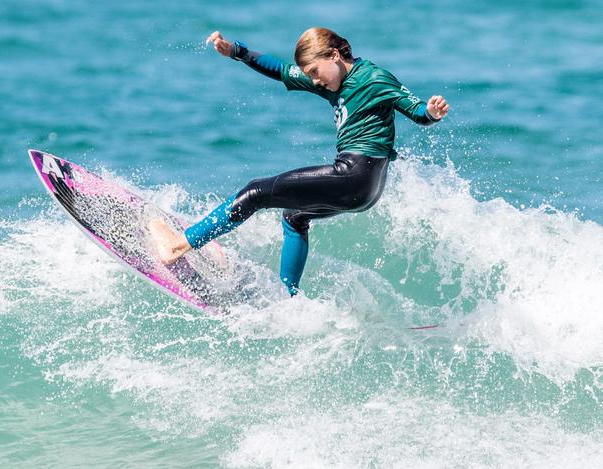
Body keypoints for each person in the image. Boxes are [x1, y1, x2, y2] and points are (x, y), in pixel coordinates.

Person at [150, 27, 450, 296]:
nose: (315, 80)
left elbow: (416, 110)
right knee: (295, 217)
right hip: (365, 188)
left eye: (316, 71)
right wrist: (235, 52)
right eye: (310, 75)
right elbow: (280, 70)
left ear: (334, 55)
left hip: (355, 174)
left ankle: (178, 245)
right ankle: (288, 298)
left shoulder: (374, 78)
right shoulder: (330, 80)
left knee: (256, 192)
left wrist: (432, 113)